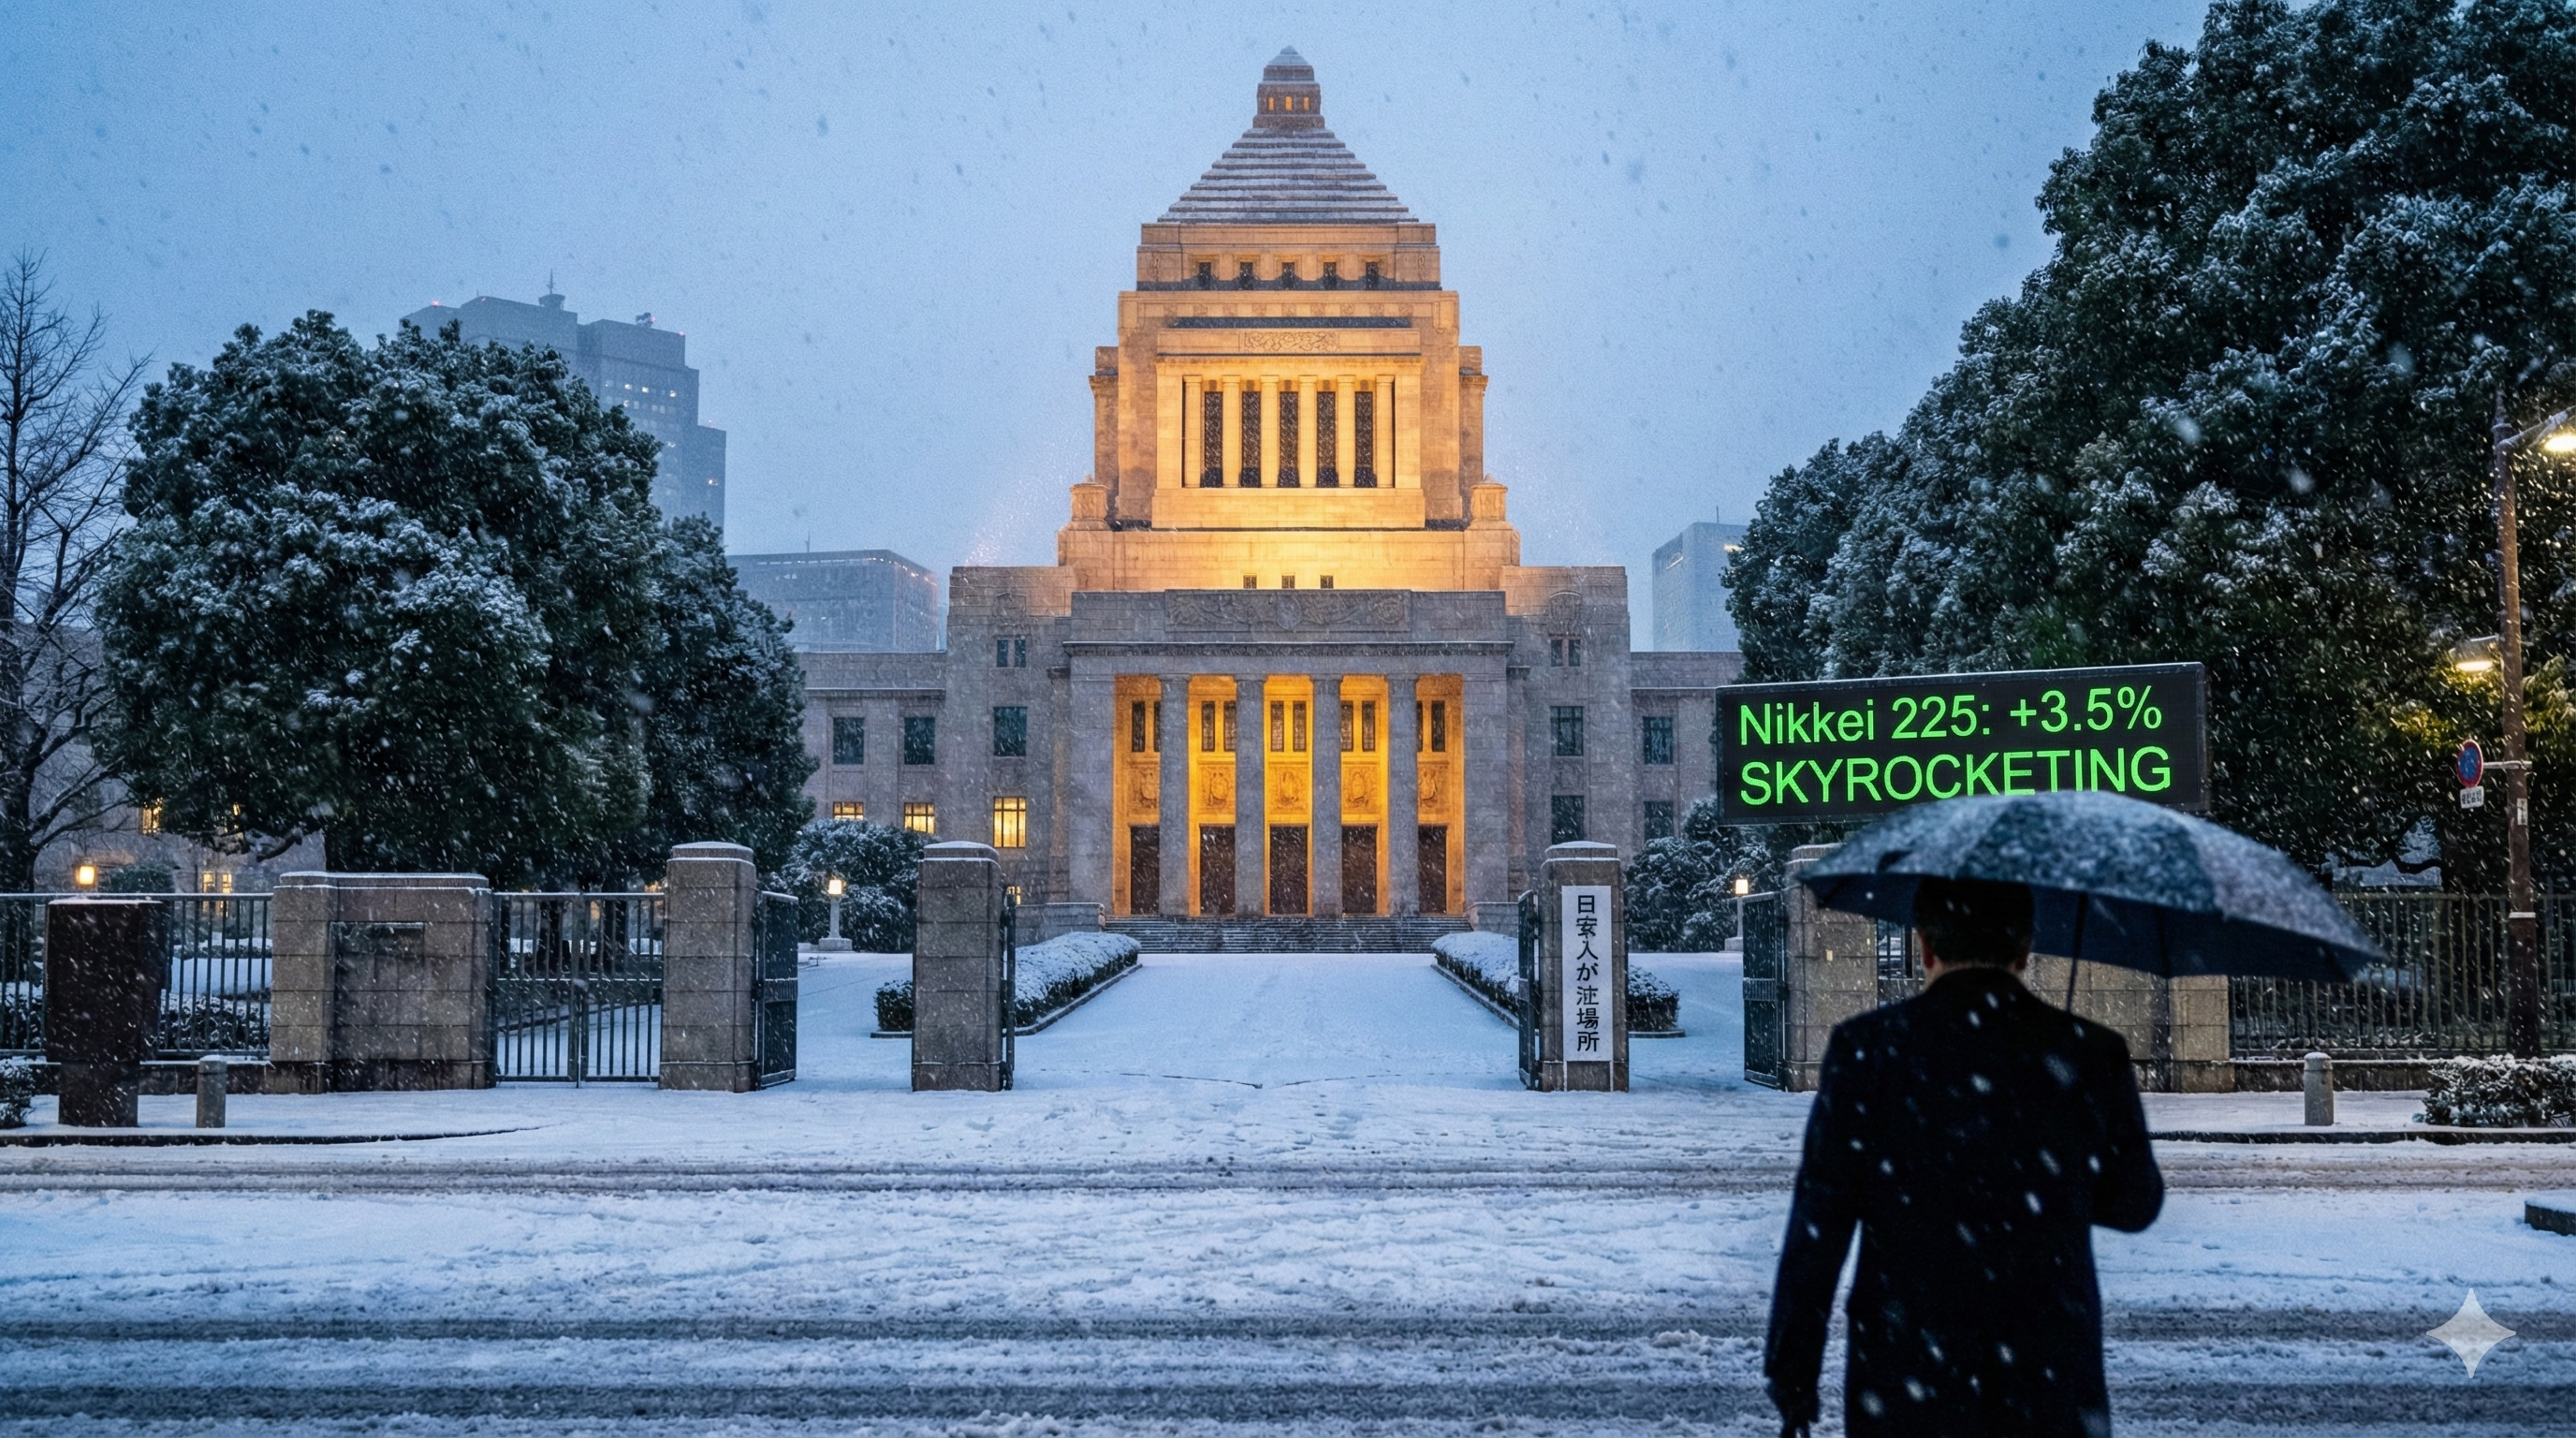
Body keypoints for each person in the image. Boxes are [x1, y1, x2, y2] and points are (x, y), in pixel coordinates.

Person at [1763, 876, 2163, 1437]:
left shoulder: (1867, 1049)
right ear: (2025, 950)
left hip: (1905, 1369)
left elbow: (1819, 1224)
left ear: (1924, 945)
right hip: (2047, 1366)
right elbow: (2136, 1202)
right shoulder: (2091, 1052)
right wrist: (2051, 1181)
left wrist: (1793, 1377)